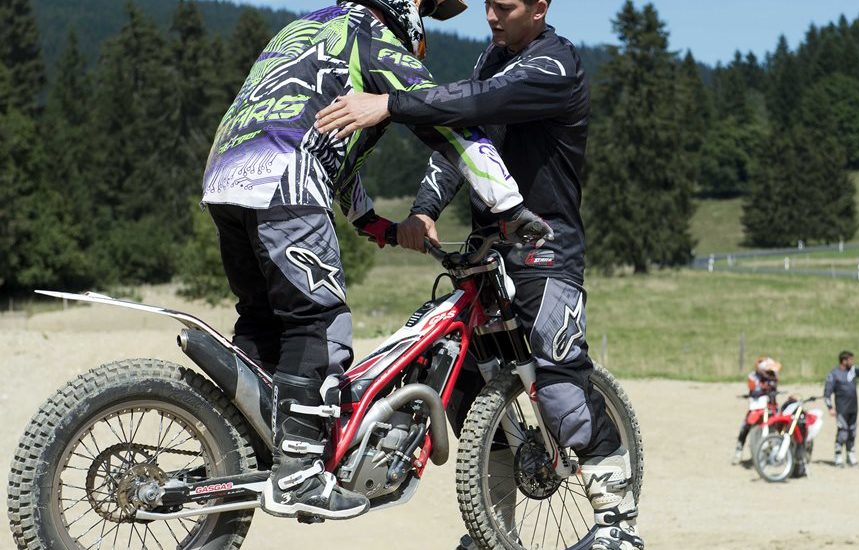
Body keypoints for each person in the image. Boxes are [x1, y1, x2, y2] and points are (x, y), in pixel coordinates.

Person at [201, 0, 552, 521]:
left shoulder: (303, 29)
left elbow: (328, 138)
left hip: (226, 180)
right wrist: (509, 205)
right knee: (318, 320)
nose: (425, 19)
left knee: (264, 321)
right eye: (426, 8)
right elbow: (445, 119)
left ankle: (235, 443)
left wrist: (377, 226)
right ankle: (298, 473)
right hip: (285, 181)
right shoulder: (368, 33)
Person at [313, 1, 643, 547]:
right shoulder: (491, 58)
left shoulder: (555, 64)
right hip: (486, 252)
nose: (491, 16)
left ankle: (617, 524)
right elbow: (456, 139)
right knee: (469, 391)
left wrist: (390, 104)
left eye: (506, 7)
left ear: (539, 9)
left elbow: (478, 100)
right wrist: (423, 210)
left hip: (545, 249)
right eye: (487, 4)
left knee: (559, 384)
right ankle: (497, 530)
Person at [732, 357, 781, 464]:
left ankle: (780, 450)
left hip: (771, 406)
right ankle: (738, 450)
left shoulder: (773, 377)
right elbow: (753, 389)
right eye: (768, 371)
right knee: (745, 427)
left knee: (780, 425)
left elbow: (774, 387)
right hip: (756, 407)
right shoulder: (753, 377)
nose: (770, 373)